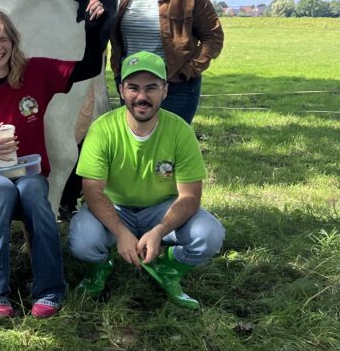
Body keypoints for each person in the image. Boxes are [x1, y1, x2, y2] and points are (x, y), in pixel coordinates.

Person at [0, 7, 105, 319]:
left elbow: (90, 66)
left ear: (14, 42)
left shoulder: (35, 73)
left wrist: (94, 26)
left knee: (33, 193)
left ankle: (50, 290)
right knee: (0, 189)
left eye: (3, 39)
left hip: (26, 171)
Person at [67, 51, 225, 309]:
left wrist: (159, 230)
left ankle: (169, 267)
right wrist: (120, 232)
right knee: (82, 241)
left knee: (209, 235)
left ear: (165, 91)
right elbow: (93, 191)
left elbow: (190, 196)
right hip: (114, 207)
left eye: (151, 87)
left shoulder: (180, 131)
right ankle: (99, 266)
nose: (141, 96)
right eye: (133, 87)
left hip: (162, 208)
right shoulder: (102, 129)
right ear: (121, 90)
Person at [110, 0, 224, 124]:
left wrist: (188, 70)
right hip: (133, 84)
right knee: (136, 143)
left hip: (175, 87)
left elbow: (213, 37)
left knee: (171, 146)